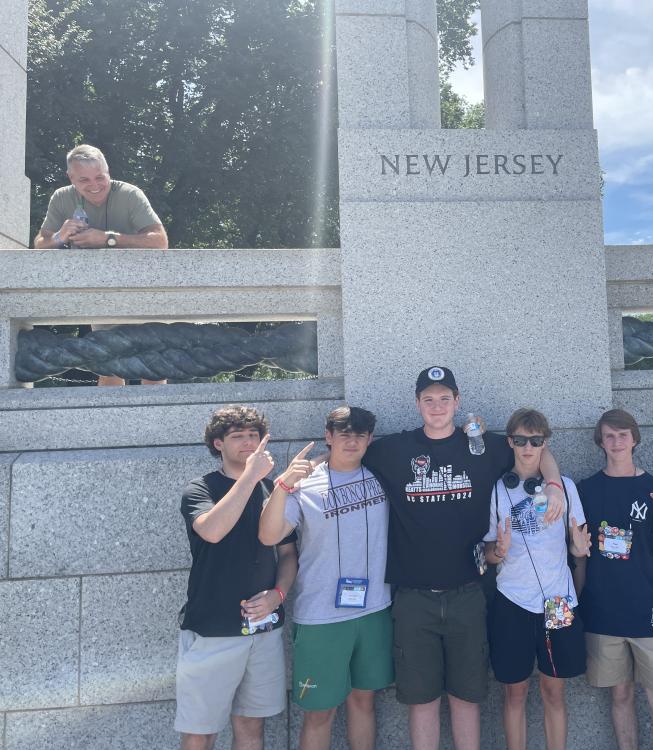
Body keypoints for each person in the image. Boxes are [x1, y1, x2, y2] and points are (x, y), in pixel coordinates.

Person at [361, 365, 566, 750]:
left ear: (457, 401)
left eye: (444, 398)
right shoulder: (394, 450)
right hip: (413, 597)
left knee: (466, 698)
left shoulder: (484, 446)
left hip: (469, 594)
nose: (436, 406)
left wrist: (553, 484)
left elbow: (536, 445)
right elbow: (345, 454)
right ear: (417, 404)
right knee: (421, 701)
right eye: (428, 399)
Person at [258, 406, 392, 750]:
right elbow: (269, 535)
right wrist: (284, 484)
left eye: (360, 435)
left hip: (375, 608)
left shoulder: (383, 474)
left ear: (370, 440)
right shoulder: (303, 485)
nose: (352, 441)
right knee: (319, 714)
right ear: (328, 436)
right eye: (343, 434)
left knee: (364, 702)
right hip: (321, 616)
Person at [175, 405, 298, 750]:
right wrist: (249, 477)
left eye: (253, 436)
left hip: (263, 630)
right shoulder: (200, 488)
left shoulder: (272, 488)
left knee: (250, 726)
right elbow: (211, 531)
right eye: (238, 436)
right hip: (212, 630)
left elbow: (288, 554)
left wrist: (279, 594)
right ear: (218, 444)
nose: (248, 443)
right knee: (201, 732)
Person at [483, 408, 592, 750]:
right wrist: (498, 551)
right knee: (514, 693)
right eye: (520, 440)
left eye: (536, 441)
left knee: (554, 691)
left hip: (558, 601)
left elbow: (579, 544)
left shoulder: (565, 488)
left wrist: (579, 547)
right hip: (512, 602)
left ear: (546, 443)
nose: (528, 448)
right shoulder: (498, 491)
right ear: (510, 442)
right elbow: (487, 552)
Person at [577, 408, 653, 750]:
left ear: (634, 439)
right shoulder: (586, 490)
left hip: (648, 612)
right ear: (600, 442)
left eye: (623, 435)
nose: (617, 441)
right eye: (609, 435)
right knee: (620, 697)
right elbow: (578, 555)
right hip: (603, 612)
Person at [34, 143, 169, 386]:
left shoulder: (130, 194)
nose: (94, 185)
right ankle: (113, 424)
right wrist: (59, 237)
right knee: (109, 366)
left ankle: (154, 423)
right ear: (71, 177)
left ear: (109, 171)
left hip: (143, 288)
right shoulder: (61, 197)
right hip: (101, 294)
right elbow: (40, 244)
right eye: (84, 179)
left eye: (100, 177)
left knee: (153, 364)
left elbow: (160, 241)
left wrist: (108, 238)